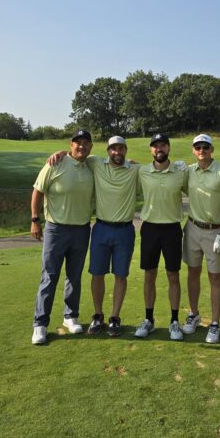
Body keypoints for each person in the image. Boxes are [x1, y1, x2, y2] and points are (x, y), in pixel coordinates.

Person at [48, 136, 140, 337]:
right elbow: (77, 156)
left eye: (121, 148)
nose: (117, 152)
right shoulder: (96, 162)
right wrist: (61, 153)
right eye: (113, 149)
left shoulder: (135, 169)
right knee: (97, 273)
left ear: (126, 150)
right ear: (108, 151)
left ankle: (115, 318)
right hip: (101, 228)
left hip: (125, 230)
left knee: (120, 275)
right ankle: (98, 315)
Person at [31, 130, 94, 345]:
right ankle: (40, 324)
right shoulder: (55, 163)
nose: (81, 147)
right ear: (71, 144)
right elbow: (38, 191)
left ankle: (70, 316)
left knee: (74, 276)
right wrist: (34, 219)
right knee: (49, 276)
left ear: (91, 147)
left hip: (81, 229)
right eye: (78, 143)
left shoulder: (92, 166)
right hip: (55, 229)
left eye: (86, 143)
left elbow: (113, 162)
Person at [181, 134, 220, 344]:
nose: (202, 150)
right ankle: (194, 314)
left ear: (211, 149)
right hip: (193, 227)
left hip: (215, 231)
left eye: (205, 147)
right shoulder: (188, 171)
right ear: (193, 150)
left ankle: (214, 323)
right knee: (192, 272)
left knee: (215, 277)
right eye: (198, 147)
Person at [135, 133, 188, 341]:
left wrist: (188, 166)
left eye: (163, 145)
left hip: (172, 229)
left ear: (169, 148)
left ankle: (174, 321)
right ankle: (149, 320)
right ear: (151, 150)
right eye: (156, 146)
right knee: (149, 275)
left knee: (173, 275)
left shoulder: (181, 172)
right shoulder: (142, 172)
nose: (160, 149)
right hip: (149, 228)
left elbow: (195, 187)